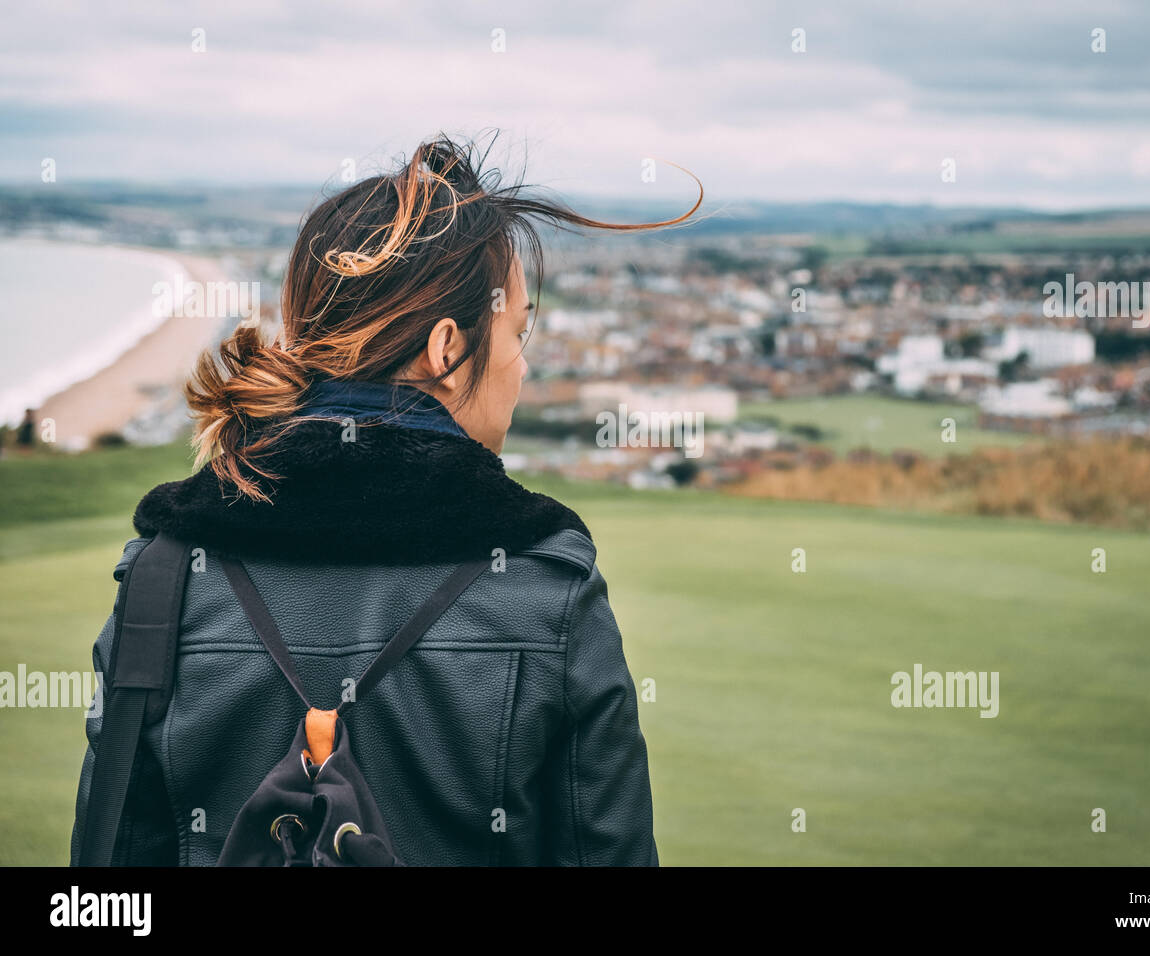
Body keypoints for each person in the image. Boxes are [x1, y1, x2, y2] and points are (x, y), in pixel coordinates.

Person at [69, 133, 701, 865]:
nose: (523, 368)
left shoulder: (161, 578)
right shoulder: (550, 589)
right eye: (517, 332)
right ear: (445, 349)